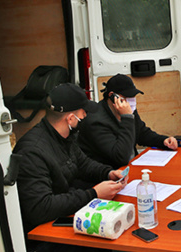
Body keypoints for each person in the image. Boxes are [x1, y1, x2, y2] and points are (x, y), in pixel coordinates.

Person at [13, 83, 126, 236]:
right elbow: (40, 208)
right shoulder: (32, 152)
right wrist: (93, 194)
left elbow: (83, 164)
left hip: (66, 214)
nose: (86, 116)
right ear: (71, 118)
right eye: (84, 113)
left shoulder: (65, 136)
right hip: (46, 231)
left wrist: (108, 173)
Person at [78, 74, 178, 167]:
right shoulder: (95, 121)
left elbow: (141, 134)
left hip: (131, 167)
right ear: (112, 95)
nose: (131, 101)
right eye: (127, 97)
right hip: (110, 174)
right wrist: (127, 117)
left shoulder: (128, 111)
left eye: (133, 97)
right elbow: (120, 157)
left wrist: (163, 140)